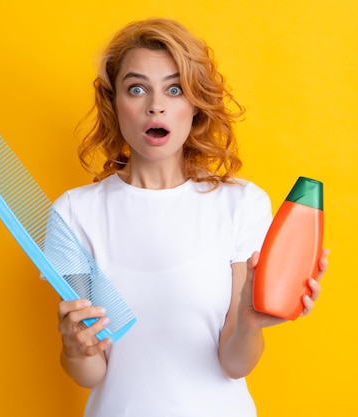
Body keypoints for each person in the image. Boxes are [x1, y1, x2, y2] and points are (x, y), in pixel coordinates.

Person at [52, 18, 329, 417]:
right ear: (114, 102)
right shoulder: (74, 213)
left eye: (174, 88)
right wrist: (73, 347)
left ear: (195, 105)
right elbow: (91, 373)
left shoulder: (242, 204)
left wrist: (249, 322)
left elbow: (234, 364)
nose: (155, 105)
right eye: (136, 88)